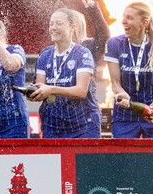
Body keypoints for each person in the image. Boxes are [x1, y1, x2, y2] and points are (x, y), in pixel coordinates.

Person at [105, 2, 153, 139]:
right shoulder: (114, 44)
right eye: (123, 17)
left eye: (129, 18)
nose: (123, 21)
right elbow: (115, 84)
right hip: (125, 116)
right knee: (123, 160)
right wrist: (124, 96)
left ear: (144, 22)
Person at [29, 8, 101, 138]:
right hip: (53, 125)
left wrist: (51, 89)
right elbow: (41, 87)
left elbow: (81, 91)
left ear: (72, 27)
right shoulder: (45, 56)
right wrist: (33, 94)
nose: (53, 28)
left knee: (82, 159)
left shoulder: (83, 53)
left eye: (59, 23)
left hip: (83, 125)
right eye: (51, 24)